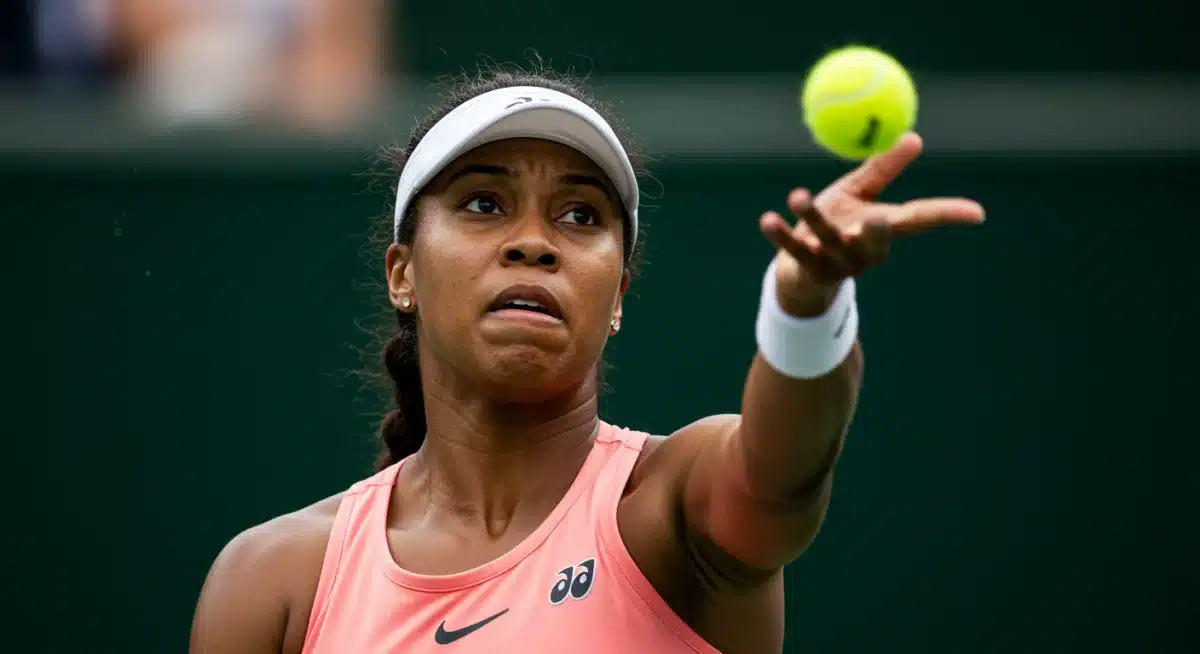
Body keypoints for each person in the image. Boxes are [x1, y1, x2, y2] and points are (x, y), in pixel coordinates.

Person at [189, 68, 984, 654]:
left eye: (579, 214)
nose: (533, 241)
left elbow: (785, 472)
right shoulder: (273, 580)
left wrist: (807, 305)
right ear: (404, 273)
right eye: (484, 203)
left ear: (618, 296)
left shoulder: (673, 508)